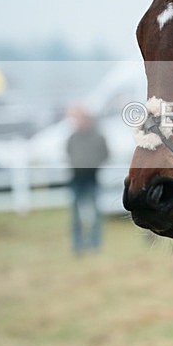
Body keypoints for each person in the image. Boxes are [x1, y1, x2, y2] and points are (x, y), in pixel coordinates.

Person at [66, 107, 109, 255]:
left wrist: (93, 165)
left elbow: (105, 154)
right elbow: (68, 152)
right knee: (76, 214)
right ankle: (78, 245)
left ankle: (94, 244)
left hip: (91, 178)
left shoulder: (97, 137)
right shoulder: (73, 138)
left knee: (95, 213)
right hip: (76, 179)